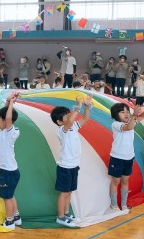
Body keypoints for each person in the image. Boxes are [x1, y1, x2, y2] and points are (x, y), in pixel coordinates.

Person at [50, 94, 93, 227]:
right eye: (67, 116)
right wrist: (77, 107)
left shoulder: (74, 126)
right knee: (64, 193)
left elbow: (85, 118)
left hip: (74, 165)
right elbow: (69, 123)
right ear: (59, 122)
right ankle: (60, 217)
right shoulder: (62, 130)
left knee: (69, 191)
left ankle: (67, 213)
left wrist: (86, 106)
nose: (71, 117)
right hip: (65, 167)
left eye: (70, 115)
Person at [109, 103, 144, 212]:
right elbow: (128, 127)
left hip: (129, 158)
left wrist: (139, 112)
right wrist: (133, 115)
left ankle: (124, 204)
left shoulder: (131, 122)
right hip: (117, 158)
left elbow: (143, 115)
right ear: (116, 114)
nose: (126, 114)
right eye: (122, 112)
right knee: (116, 181)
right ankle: (114, 205)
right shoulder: (116, 124)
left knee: (125, 181)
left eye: (127, 111)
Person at [0, 91, 22, 229]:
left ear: (5, 121)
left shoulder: (11, 132)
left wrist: (11, 103)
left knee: (7, 198)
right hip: (9, 171)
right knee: (10, 196)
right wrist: (8, 101)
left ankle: (10, 221)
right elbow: (6, 115)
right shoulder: (3, 132)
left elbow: (8, 117)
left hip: (8, 173)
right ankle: (16, 217)